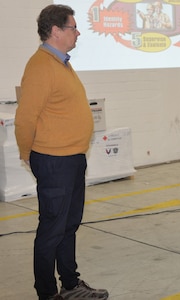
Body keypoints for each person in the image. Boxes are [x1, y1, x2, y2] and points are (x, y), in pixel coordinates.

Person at [14, 5, 109, 300]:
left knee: (68, 225)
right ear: (56, 31)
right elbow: (25, 118)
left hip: (71, 159)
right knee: (52, 229)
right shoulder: (41, 65)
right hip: (54, 161)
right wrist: (27, 154)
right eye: (73, 27)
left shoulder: (61, 63)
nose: (78, 32)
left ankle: (70, 284)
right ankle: (46, 293)